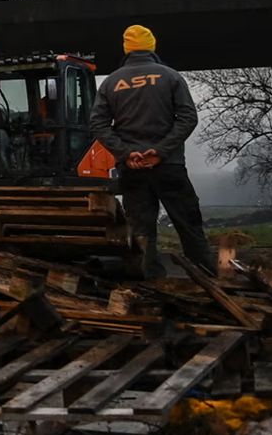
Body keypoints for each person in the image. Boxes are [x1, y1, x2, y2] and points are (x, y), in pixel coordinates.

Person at [89, 24, 215, 277]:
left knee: (141, 234)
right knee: (189, 226)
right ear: (152, 47)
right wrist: (161, 151)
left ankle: (149, 289)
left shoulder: (111, 82)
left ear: (126, 50)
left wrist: (126, 153)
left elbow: (98, 123)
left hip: (133, 171)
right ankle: (209, 281)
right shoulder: (170, 77)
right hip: (169, 167)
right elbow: (188, 118)